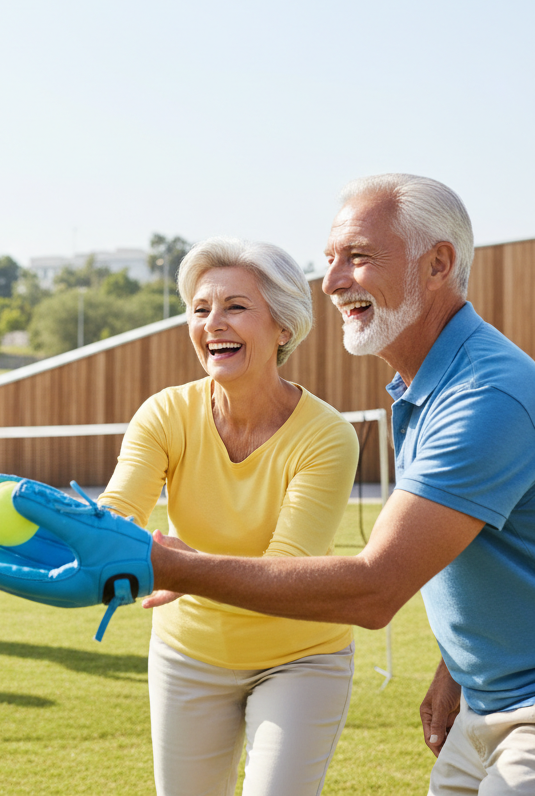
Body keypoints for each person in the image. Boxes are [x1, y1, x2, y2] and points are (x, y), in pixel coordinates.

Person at [147, 175, 535, 795]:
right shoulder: (429, 386)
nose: (329, 283)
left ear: (437, 264)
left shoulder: (482, 397)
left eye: (357, 258)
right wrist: (456, 667)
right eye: (329, 261)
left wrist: (175, 569)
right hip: (487, 705)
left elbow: (374, 590)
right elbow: (487, 546)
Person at [98, 237, 360, 796]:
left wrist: (186, 569)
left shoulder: (327, 435)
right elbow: (118, 511)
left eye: (235, 307)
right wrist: (72, 529)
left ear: (283, 326)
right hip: (187, 652)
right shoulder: (166, 413)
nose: (212, 322)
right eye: (200, 309)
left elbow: (285, 573)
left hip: (301, 657)